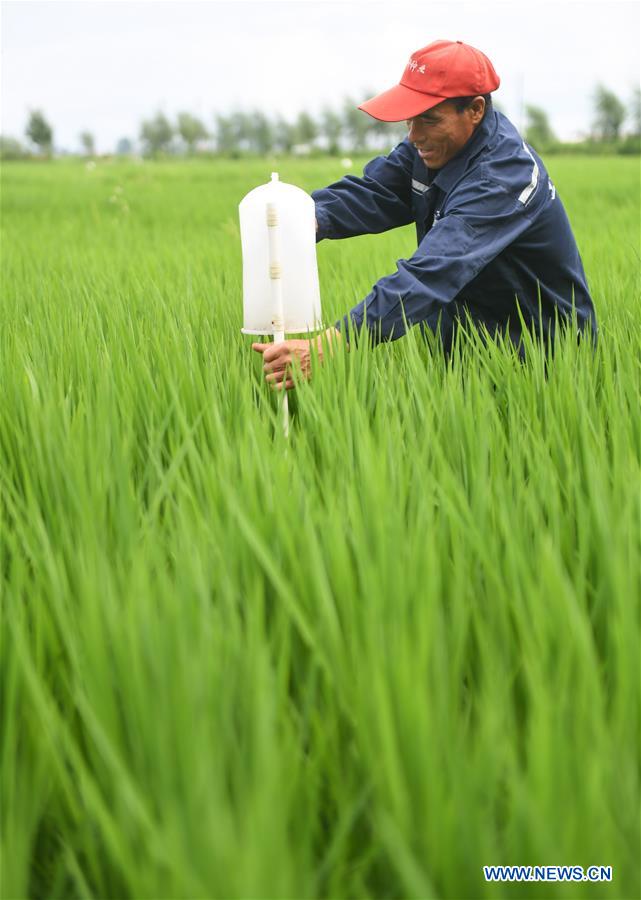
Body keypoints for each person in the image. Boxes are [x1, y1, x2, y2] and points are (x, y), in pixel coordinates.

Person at [252, 39, 596, 390]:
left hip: (543, 359)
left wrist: (332, 344)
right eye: (410, 120)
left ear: (475, 110)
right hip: (470, 352)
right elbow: (377, 191)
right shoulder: (432, 147)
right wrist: (307, 219)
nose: (415, 135)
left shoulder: (503, 177)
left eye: (429, 120)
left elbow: (433, 271)